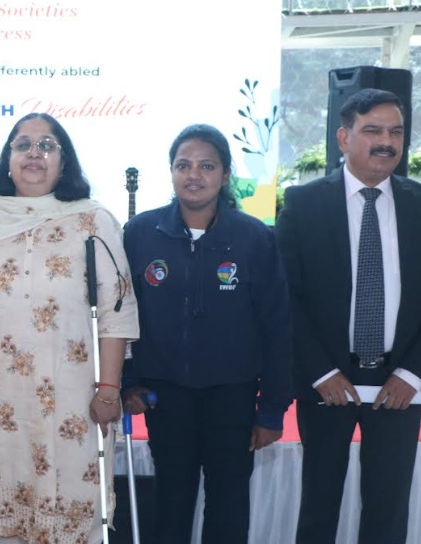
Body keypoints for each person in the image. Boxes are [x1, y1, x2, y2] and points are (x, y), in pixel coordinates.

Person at [276, 88, 421, 544]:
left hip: (401, 383)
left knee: (388, 507)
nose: (386, 142)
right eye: (373, 131)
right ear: (344, 137)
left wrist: (412, 373)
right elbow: (284, 296)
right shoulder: (303, 203)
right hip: (327, 381)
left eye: (395, 132)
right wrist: (321, 371)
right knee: (318, 504)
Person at [0, 112, 139, 543]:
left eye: (47, 145)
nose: (34, 153)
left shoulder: (93, 220)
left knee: (65, 507)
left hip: (71, 397)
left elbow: (116, 310)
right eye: (23, 145)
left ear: (64, 163)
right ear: (8, 159)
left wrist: (109, 389)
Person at [121, 124, 292, 544]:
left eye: (207, 166)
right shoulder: (140, 234)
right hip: (165, 395)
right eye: (183, 165)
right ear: (171, 172)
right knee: (171, 504)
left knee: (229, 507)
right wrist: (127, 382)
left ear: (225, 175)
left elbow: (277, 325)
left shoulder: (254, 238)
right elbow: (120, 316)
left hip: (232, 397)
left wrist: (272, 409)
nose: (193, 175)